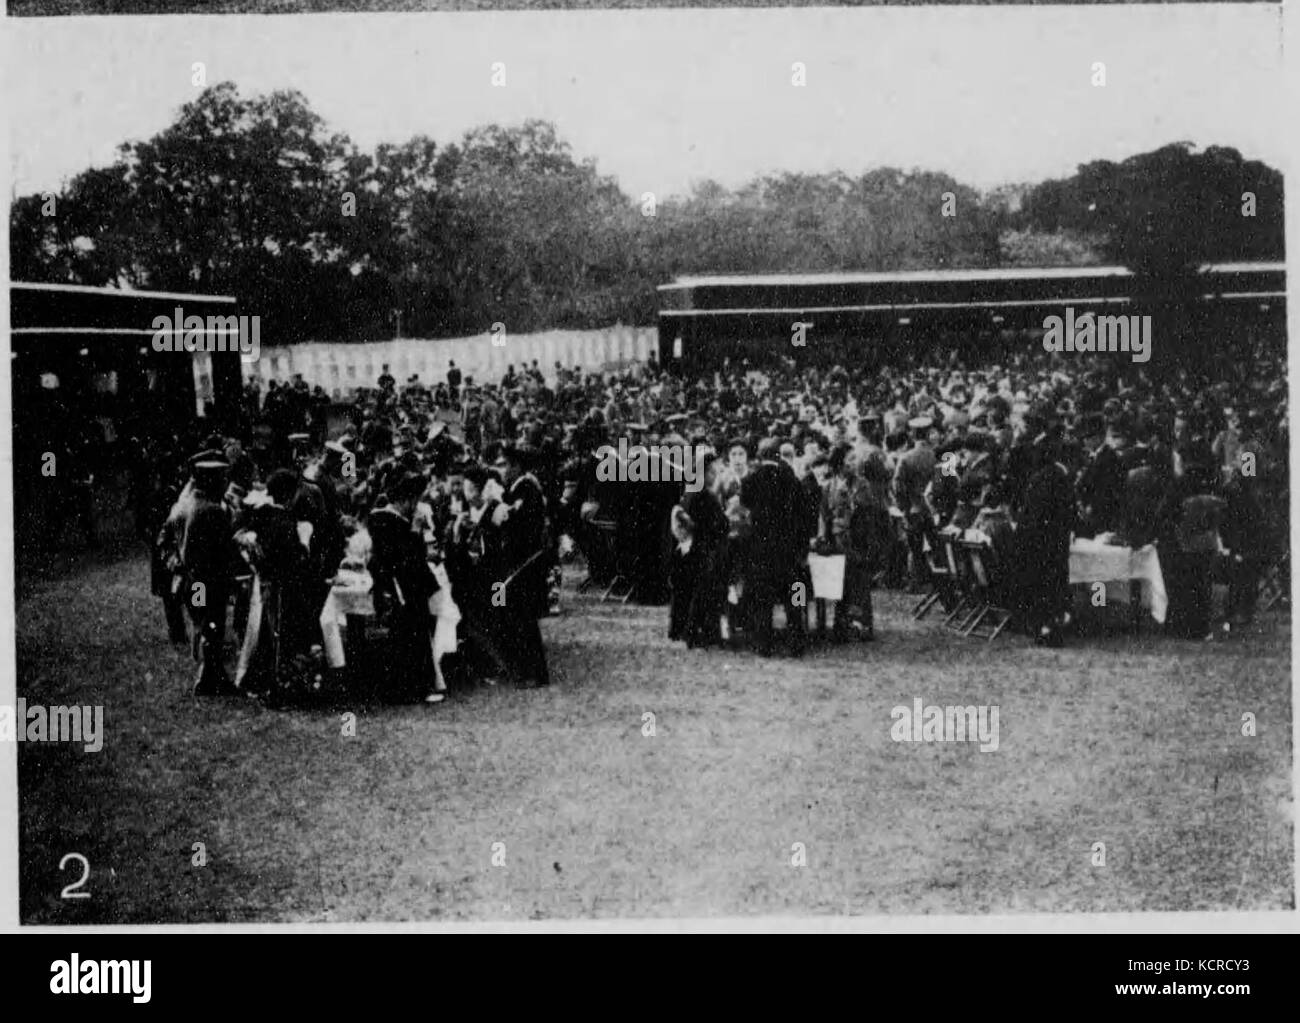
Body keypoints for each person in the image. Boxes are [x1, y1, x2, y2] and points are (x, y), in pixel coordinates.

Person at [366, 472, 445, 703]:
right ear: (406, 499)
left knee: (414, 632)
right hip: (400, 584)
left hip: (411, 583)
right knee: (410, 634)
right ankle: (412, 688)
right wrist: (414, 531)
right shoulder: (384, 520)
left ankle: (414, 685)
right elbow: (400, 558)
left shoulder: (391, 520)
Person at [490, 446, 552, 688]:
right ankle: (517, 668)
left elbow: (521, 527)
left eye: (505, 465)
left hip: (524, 562)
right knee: (510, 615)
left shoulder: (526, 488)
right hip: (513, 563)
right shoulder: (513, 489)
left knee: (524, 618)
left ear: (516, 466)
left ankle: (534, 673)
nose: (502, 470)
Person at [179, 452, 239, 695]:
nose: (225, 482)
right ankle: (208, 680)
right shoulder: (211, 510)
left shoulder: (189, 502)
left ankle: (213, 677)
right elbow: (226, 547)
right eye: (221, 478)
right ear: (211, 480)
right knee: (212, 627)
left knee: (205, 626)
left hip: (193, 580)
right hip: (207, 581)